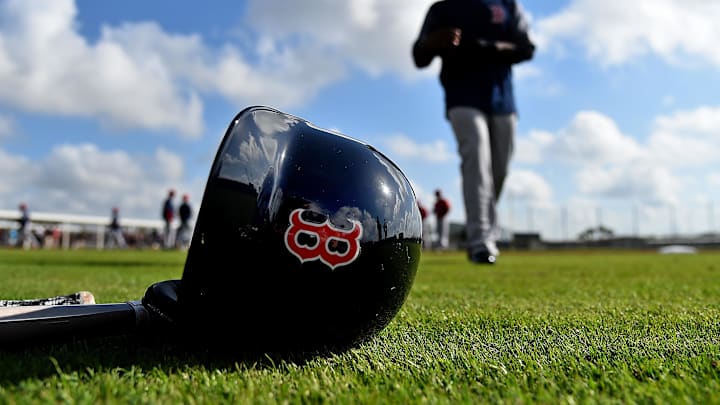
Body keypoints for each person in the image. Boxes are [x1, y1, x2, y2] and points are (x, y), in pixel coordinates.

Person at [412, 0, 535, 264]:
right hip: (462, 96)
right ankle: (480, 241)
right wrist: (432, 43)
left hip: (502, 100)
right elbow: (419, 57)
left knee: (498, 170)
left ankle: (479, 230)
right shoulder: (442, 9)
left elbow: (526, 48)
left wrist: (485, 47)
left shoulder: (507, 5)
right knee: (476, 159)